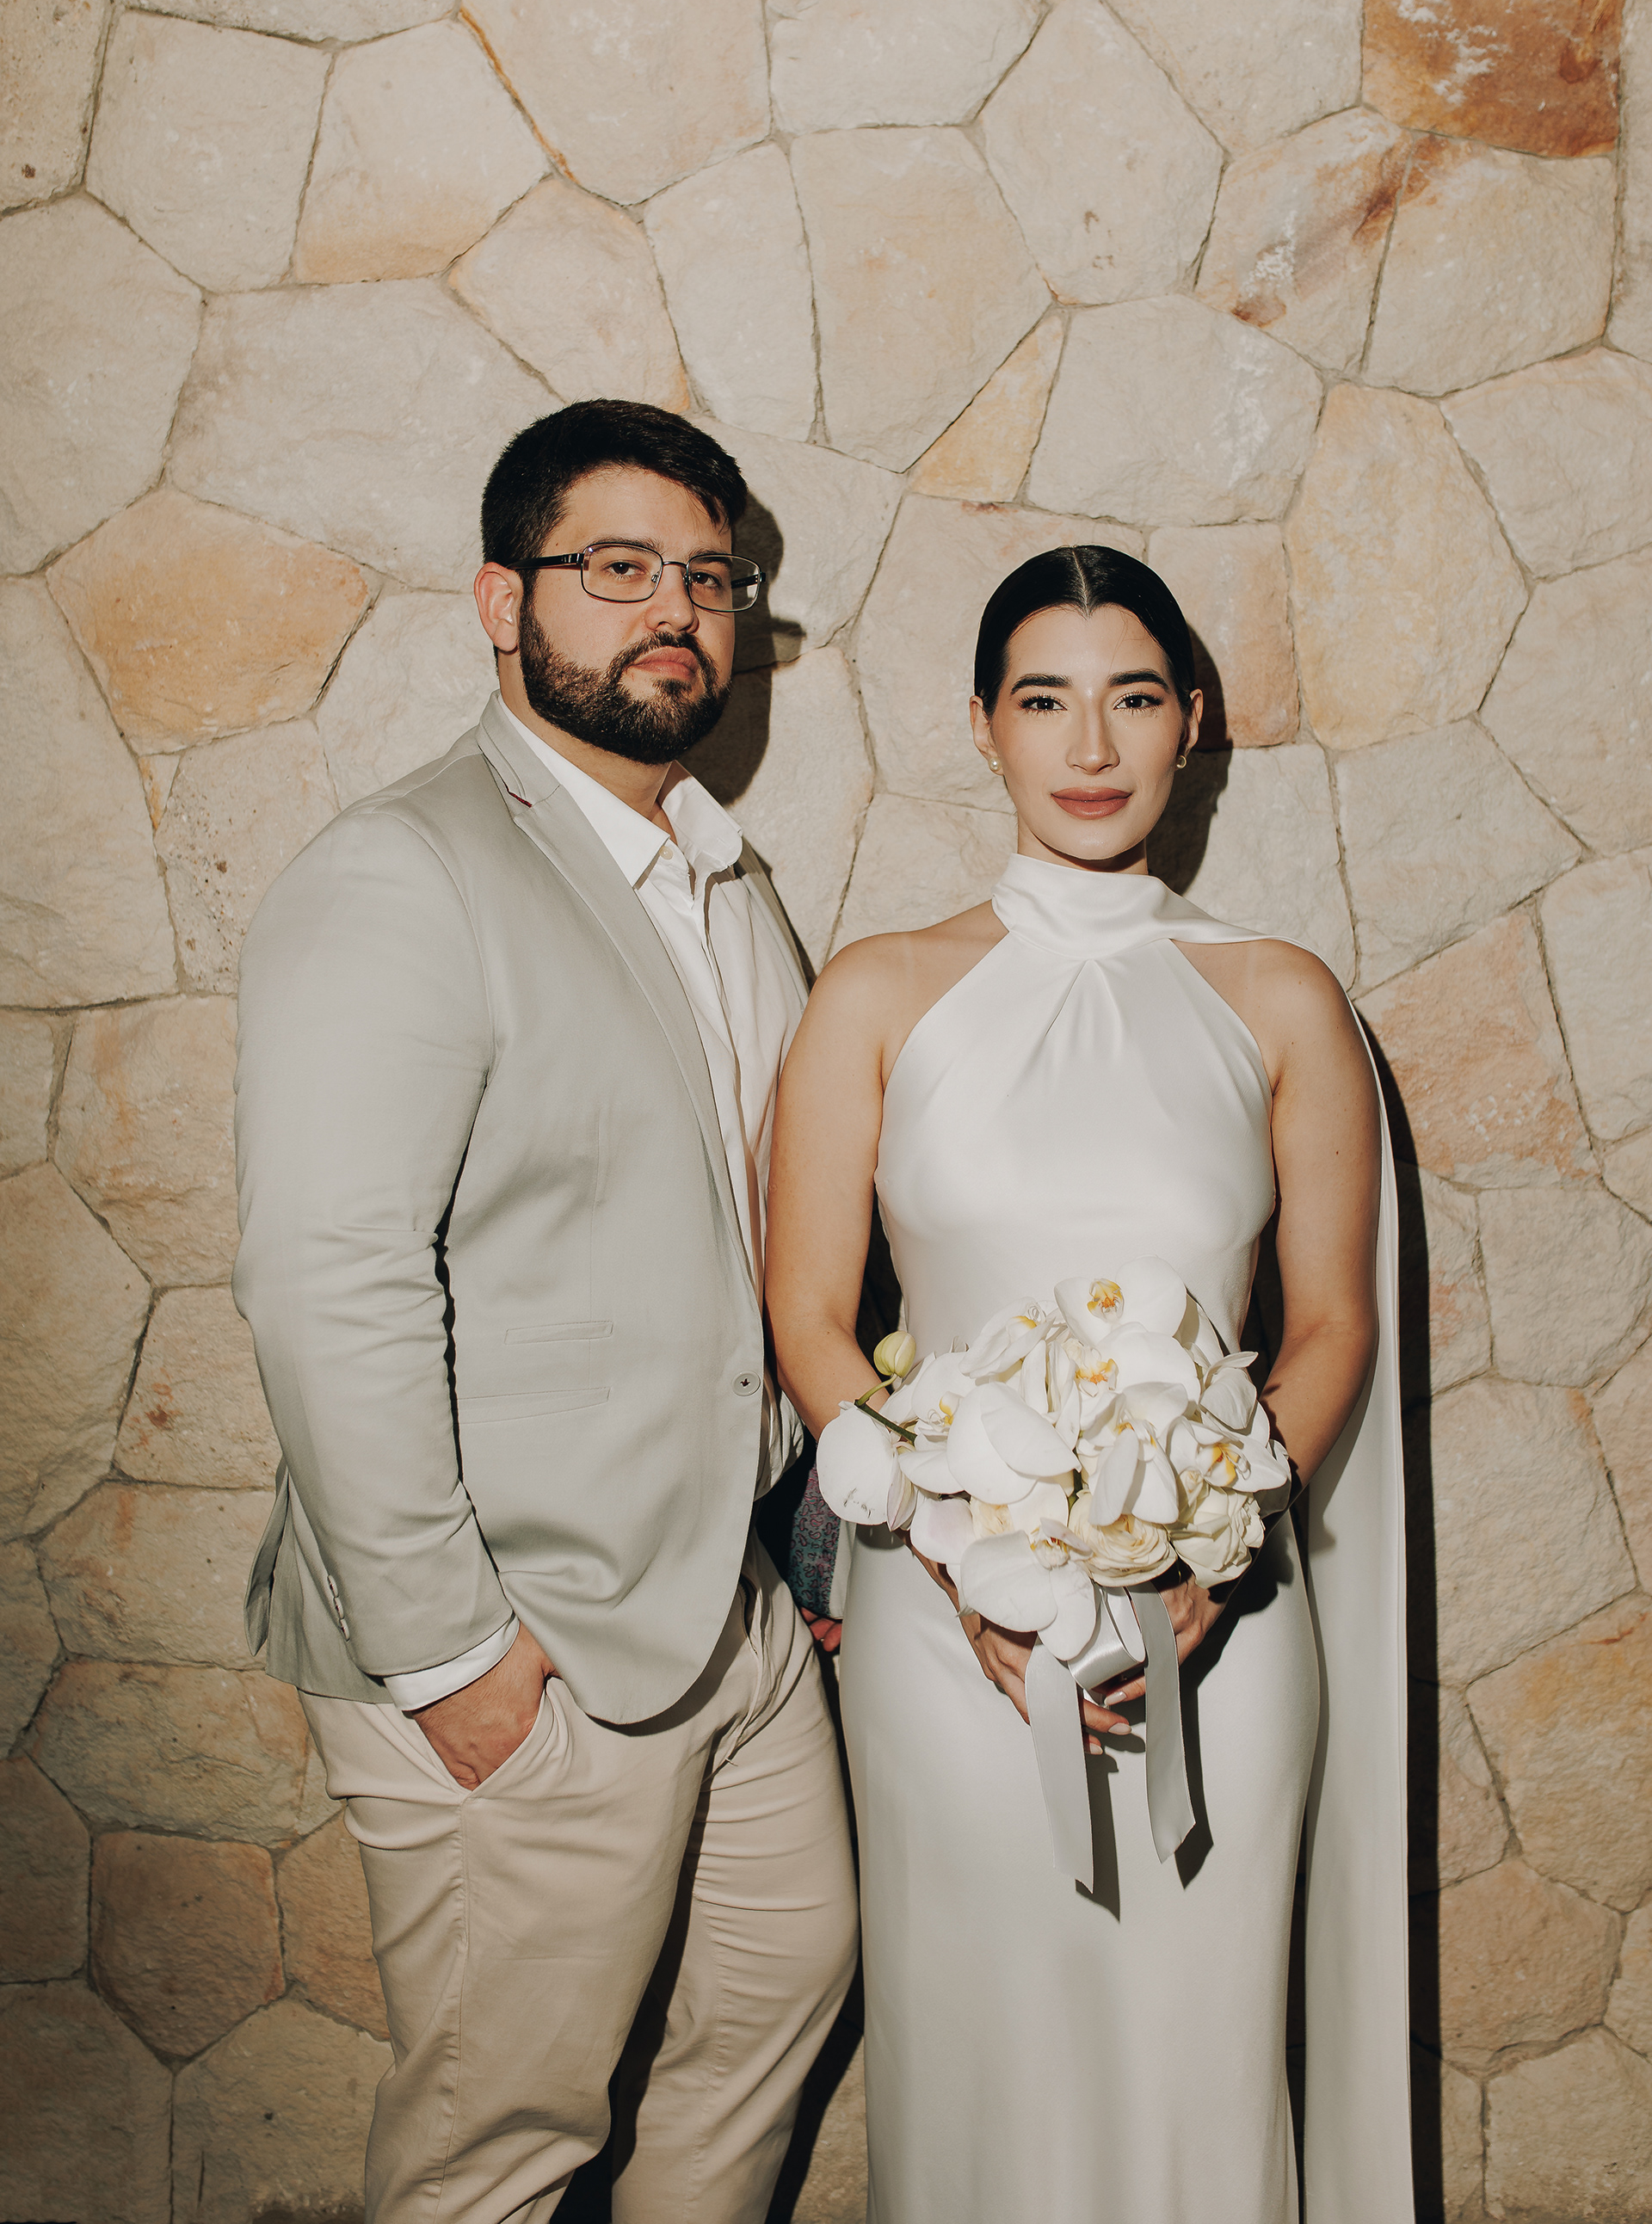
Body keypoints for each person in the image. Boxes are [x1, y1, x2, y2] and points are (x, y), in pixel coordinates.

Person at [233, 400, 858, 2224]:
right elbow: (326, 1278)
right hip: (528, 1641)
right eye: (619, 569)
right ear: (503, 604)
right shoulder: (404, 870)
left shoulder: (727, 884)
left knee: (778, 1994)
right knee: (496, 2150)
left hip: (731, 1619)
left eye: (708, 580)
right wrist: (459, 1664)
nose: (675, 611)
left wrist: (804, 1546)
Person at [766, 545, 1412, 2224]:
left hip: (1225, 1629)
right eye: (1045, 699)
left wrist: (1209, 1562)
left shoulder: (1280, 996)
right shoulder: (878, 991)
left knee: (1195, 2057)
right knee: (984, 2058)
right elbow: (808, 1315)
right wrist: (970, 1568)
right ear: (983, 725)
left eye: (1132, 697)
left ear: (1190, 721)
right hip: (941, 1630)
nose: (1093, 745)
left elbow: (1332, 1324)